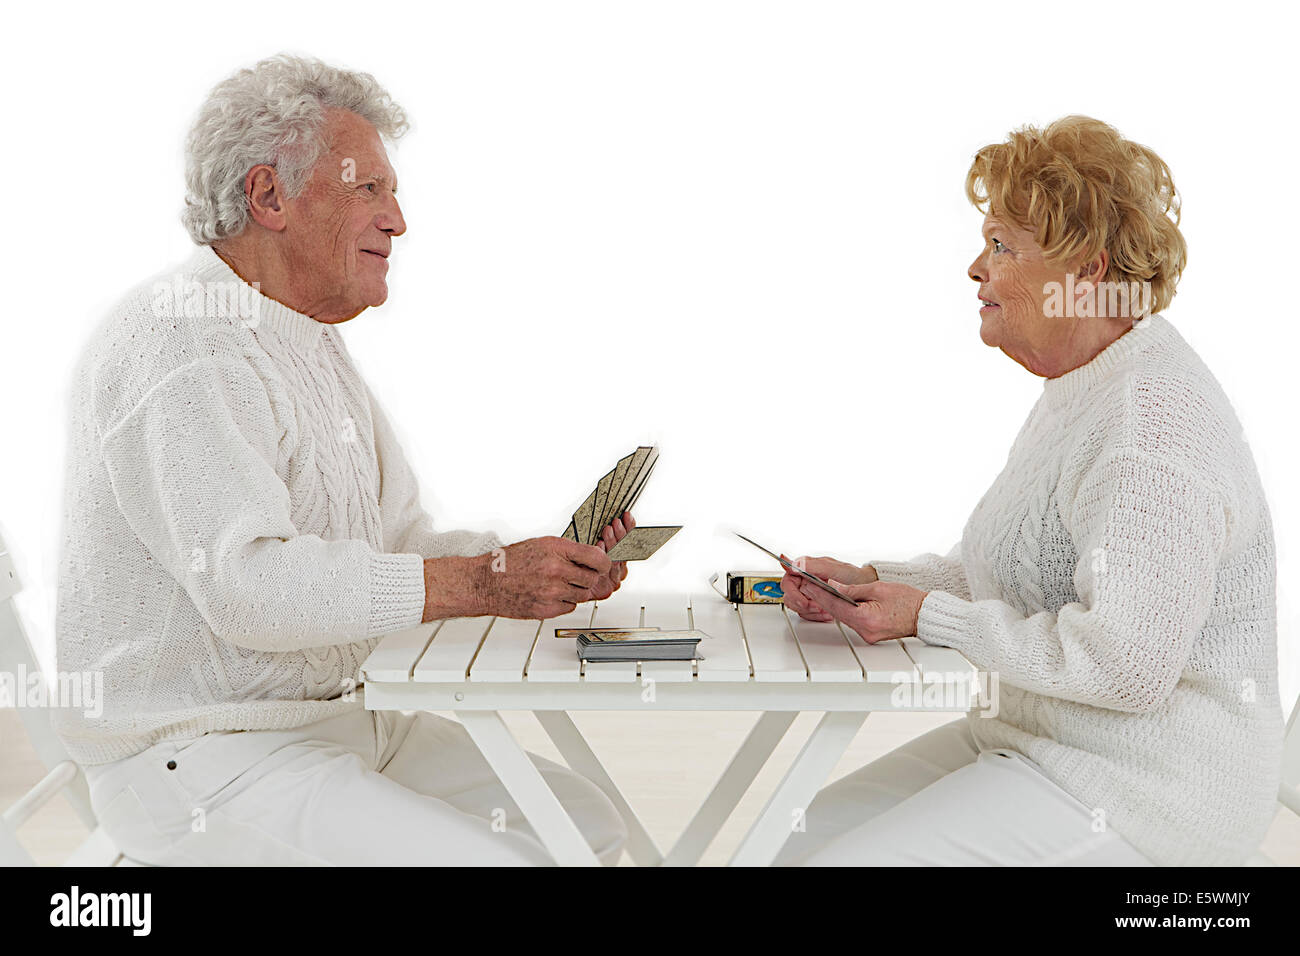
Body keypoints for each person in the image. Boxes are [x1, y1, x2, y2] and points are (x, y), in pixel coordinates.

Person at [53, 54, 632, 865]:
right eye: (369, 189)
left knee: (593, 832)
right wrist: (481, 583)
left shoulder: (307, 339)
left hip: (337, 721)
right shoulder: (182, 343)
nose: (398, 220)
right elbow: (251, 588)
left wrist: (533, 562)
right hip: (202, 757)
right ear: (268, 196)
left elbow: (398, 545)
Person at [776, 116, 1283, 867]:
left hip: (1149, 798)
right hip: (1041, 743)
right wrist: (881, 583)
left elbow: (1125, 666)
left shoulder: (1152, 425)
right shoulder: (1084, 383)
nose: (975, 269)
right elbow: (1022, 574)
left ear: (1086, 275)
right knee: (790, 842)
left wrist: (930, 618)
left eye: (1002, 247)